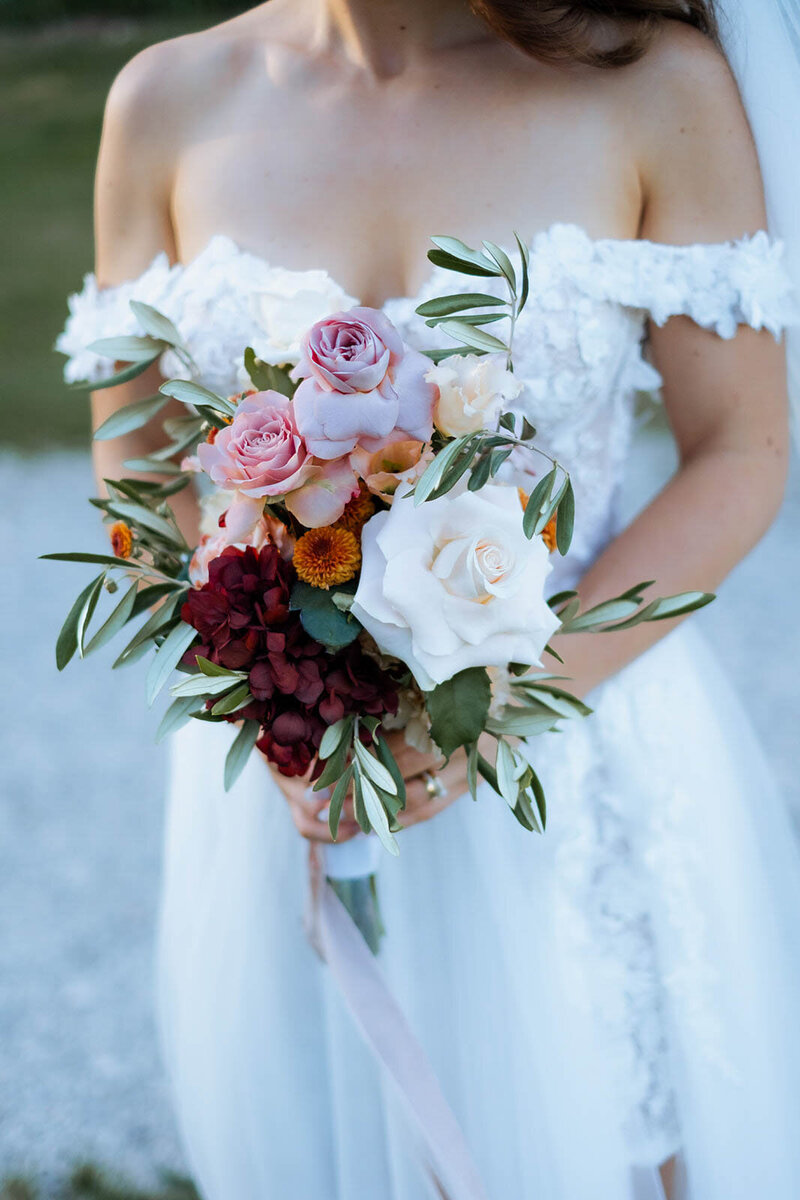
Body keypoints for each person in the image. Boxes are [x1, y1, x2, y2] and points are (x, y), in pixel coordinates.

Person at [57, 2, 800, 1197]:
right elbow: (137, 471)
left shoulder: (651, 84)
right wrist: (268, 675)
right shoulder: (165, 100)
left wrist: (507, 702)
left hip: (572, 761)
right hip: (291, 768)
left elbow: (739, 452)